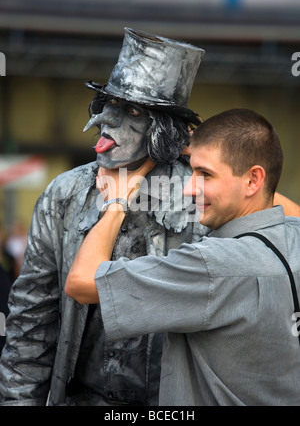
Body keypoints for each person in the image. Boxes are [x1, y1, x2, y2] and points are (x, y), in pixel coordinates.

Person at [0, 28, 206, 406]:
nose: (105, 120)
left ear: (162, 128)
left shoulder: (200, 196)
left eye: (131, 110)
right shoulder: (65, 193)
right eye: (107, 103)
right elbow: (32, 320)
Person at [65, 108, 300, 406]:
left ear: (254, 179)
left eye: (205, 174)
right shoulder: (294, 236)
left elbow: (81, 282)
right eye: (191, 168)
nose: (189, 188)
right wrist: (221, 149)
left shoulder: (211, 266)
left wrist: (117, 202)